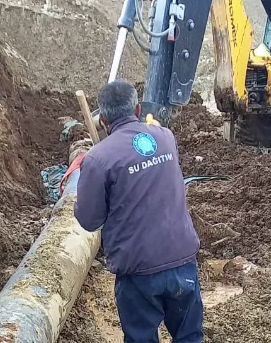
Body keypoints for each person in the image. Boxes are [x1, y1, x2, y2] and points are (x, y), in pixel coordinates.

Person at [74, 80, 203, 343]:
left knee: (141, 338)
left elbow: (89, 220)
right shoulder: (166, 138)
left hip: (139, 271)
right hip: (182, 260)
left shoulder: (98, 159)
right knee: (189, 336)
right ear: (137, 108)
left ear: (103, 119)